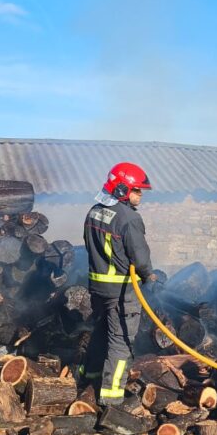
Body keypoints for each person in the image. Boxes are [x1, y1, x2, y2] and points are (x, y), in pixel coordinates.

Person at [79, 162, 156, 408]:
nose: (140, 195)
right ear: (122, 190)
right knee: (121, 344)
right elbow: (140, 259)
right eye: (137, 190)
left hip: (98, 289)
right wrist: (149, 276)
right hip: (122, 291)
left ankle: (88, 378)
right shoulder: (129, 218)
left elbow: (89, 245)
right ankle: (112, 398)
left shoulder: (94, 211)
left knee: (101, 333)